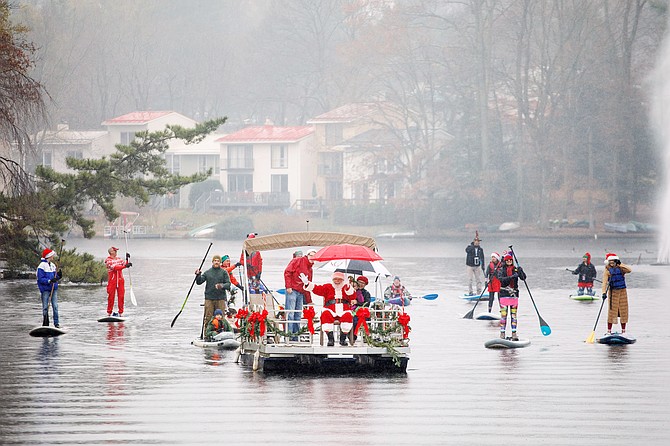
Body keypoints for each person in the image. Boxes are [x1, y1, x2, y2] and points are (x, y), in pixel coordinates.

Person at [301, 271, 355, 346]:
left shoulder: (346, 288)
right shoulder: (328, 287)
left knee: (348, 317)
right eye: (335, 279)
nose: (337, 281)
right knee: (325, 315)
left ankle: (343, 339)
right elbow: (317, 289)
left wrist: (348, 285)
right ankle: (330, 339)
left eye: (339, 279)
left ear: (343, 280)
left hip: (344, 308)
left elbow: (352, 296)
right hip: (330, 308)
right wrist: (307, 283)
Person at [195, 254, 232, 336]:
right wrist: (198, 275)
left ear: (220, 262)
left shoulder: (224, 272)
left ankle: (222, 334)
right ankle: (207, 335)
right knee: (208, 318)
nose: (216, 262)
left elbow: (228, 284)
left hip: (220, 298)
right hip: (209, 298)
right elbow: (199, 282)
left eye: (218, 261)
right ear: (212, 262)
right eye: (215, 261)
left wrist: (221, 286)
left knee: (221, 318)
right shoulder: (208, 272)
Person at [283, 249, 316, 338]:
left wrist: (309, 301)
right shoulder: (297, 260)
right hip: (292, 290)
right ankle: (289, 335)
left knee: (298, 314)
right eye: (311, 255)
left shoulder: (310, 269)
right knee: (291, 313)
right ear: (307, 255)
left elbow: (308, 285)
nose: (312, 258)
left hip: (301, 292)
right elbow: (287, 272)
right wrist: (288, 286)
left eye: (314, 256)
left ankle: (296, 336)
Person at [497, 253, 526, 340]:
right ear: (505, 262)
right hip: (503, 295)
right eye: (507, 260)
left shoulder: (516, 269)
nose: (509, 262)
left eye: (510, 260)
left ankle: (514, 334)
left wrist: (521, 271)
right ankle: (502, 334)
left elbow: (523, 278)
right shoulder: (501, 270)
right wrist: (511, 277)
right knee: (503, 316)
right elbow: (502, 280)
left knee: (514, 316)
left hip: (514, 296)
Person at [602, 253, 632, 335]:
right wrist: (603, 293)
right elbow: (604, 282)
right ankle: (609, 331)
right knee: (612, 312)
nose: (612, 263)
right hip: (613, 292)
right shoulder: (607, 270)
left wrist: (620, 264)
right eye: (610, 261)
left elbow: (629, 270)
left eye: (613, 261)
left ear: (616, 261)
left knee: (623, 311)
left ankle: (623, 331)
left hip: (622, 291)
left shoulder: (621, 268)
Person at [37, 248, 62, 327]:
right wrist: (49, 281)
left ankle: (56, 323)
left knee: (55, 306)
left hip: (53, 289)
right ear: (48, 256)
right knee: (45, 307)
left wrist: (59, 276)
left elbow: (55, 277)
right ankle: (45, 323)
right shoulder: (41, 266)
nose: (53, 257)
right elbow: (40, 279)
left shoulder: (53, 265)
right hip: (45, 290)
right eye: (52, 256)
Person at [104, 246, 131, 317]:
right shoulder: (108, 260)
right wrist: (125, 266)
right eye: (115, 251)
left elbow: (124, 264)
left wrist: (127, 259)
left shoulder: (119, 259)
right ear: (111, 252)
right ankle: (109, 312)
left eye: (116, 251)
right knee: (111, 297)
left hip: (120, 280)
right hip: (112, 280)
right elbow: (115, 268)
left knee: (121, 296)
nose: (116, 252)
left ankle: (121, 312)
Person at [351, 275, 372, 341]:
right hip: (352, 310)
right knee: (353, 319)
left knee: (366, 318)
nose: (361, 284)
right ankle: (352, 336)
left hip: (362, 311)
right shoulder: (351, 291)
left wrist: (357, 302)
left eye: (363, 283)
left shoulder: (366, 293)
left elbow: (367, 304)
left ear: (365, 284)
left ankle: (365, 336)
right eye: (359, 282)